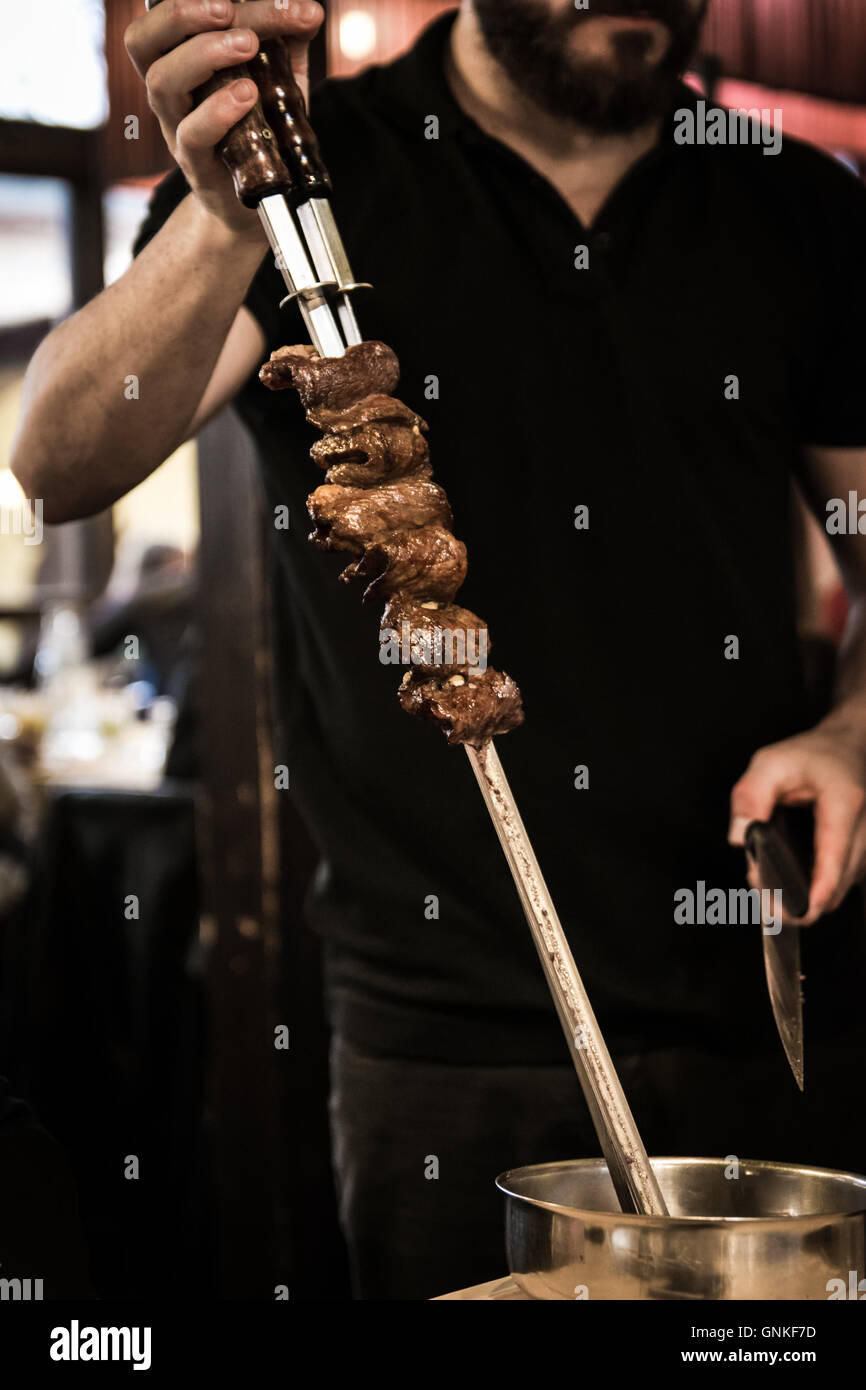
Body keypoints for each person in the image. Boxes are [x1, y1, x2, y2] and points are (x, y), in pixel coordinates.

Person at [11, 0, 866, 1299]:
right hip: (441, 1032)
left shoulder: (793, 203)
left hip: (767, 997)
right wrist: (229, 211)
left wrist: (851, 730)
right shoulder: (308, 167)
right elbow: (58, 460)